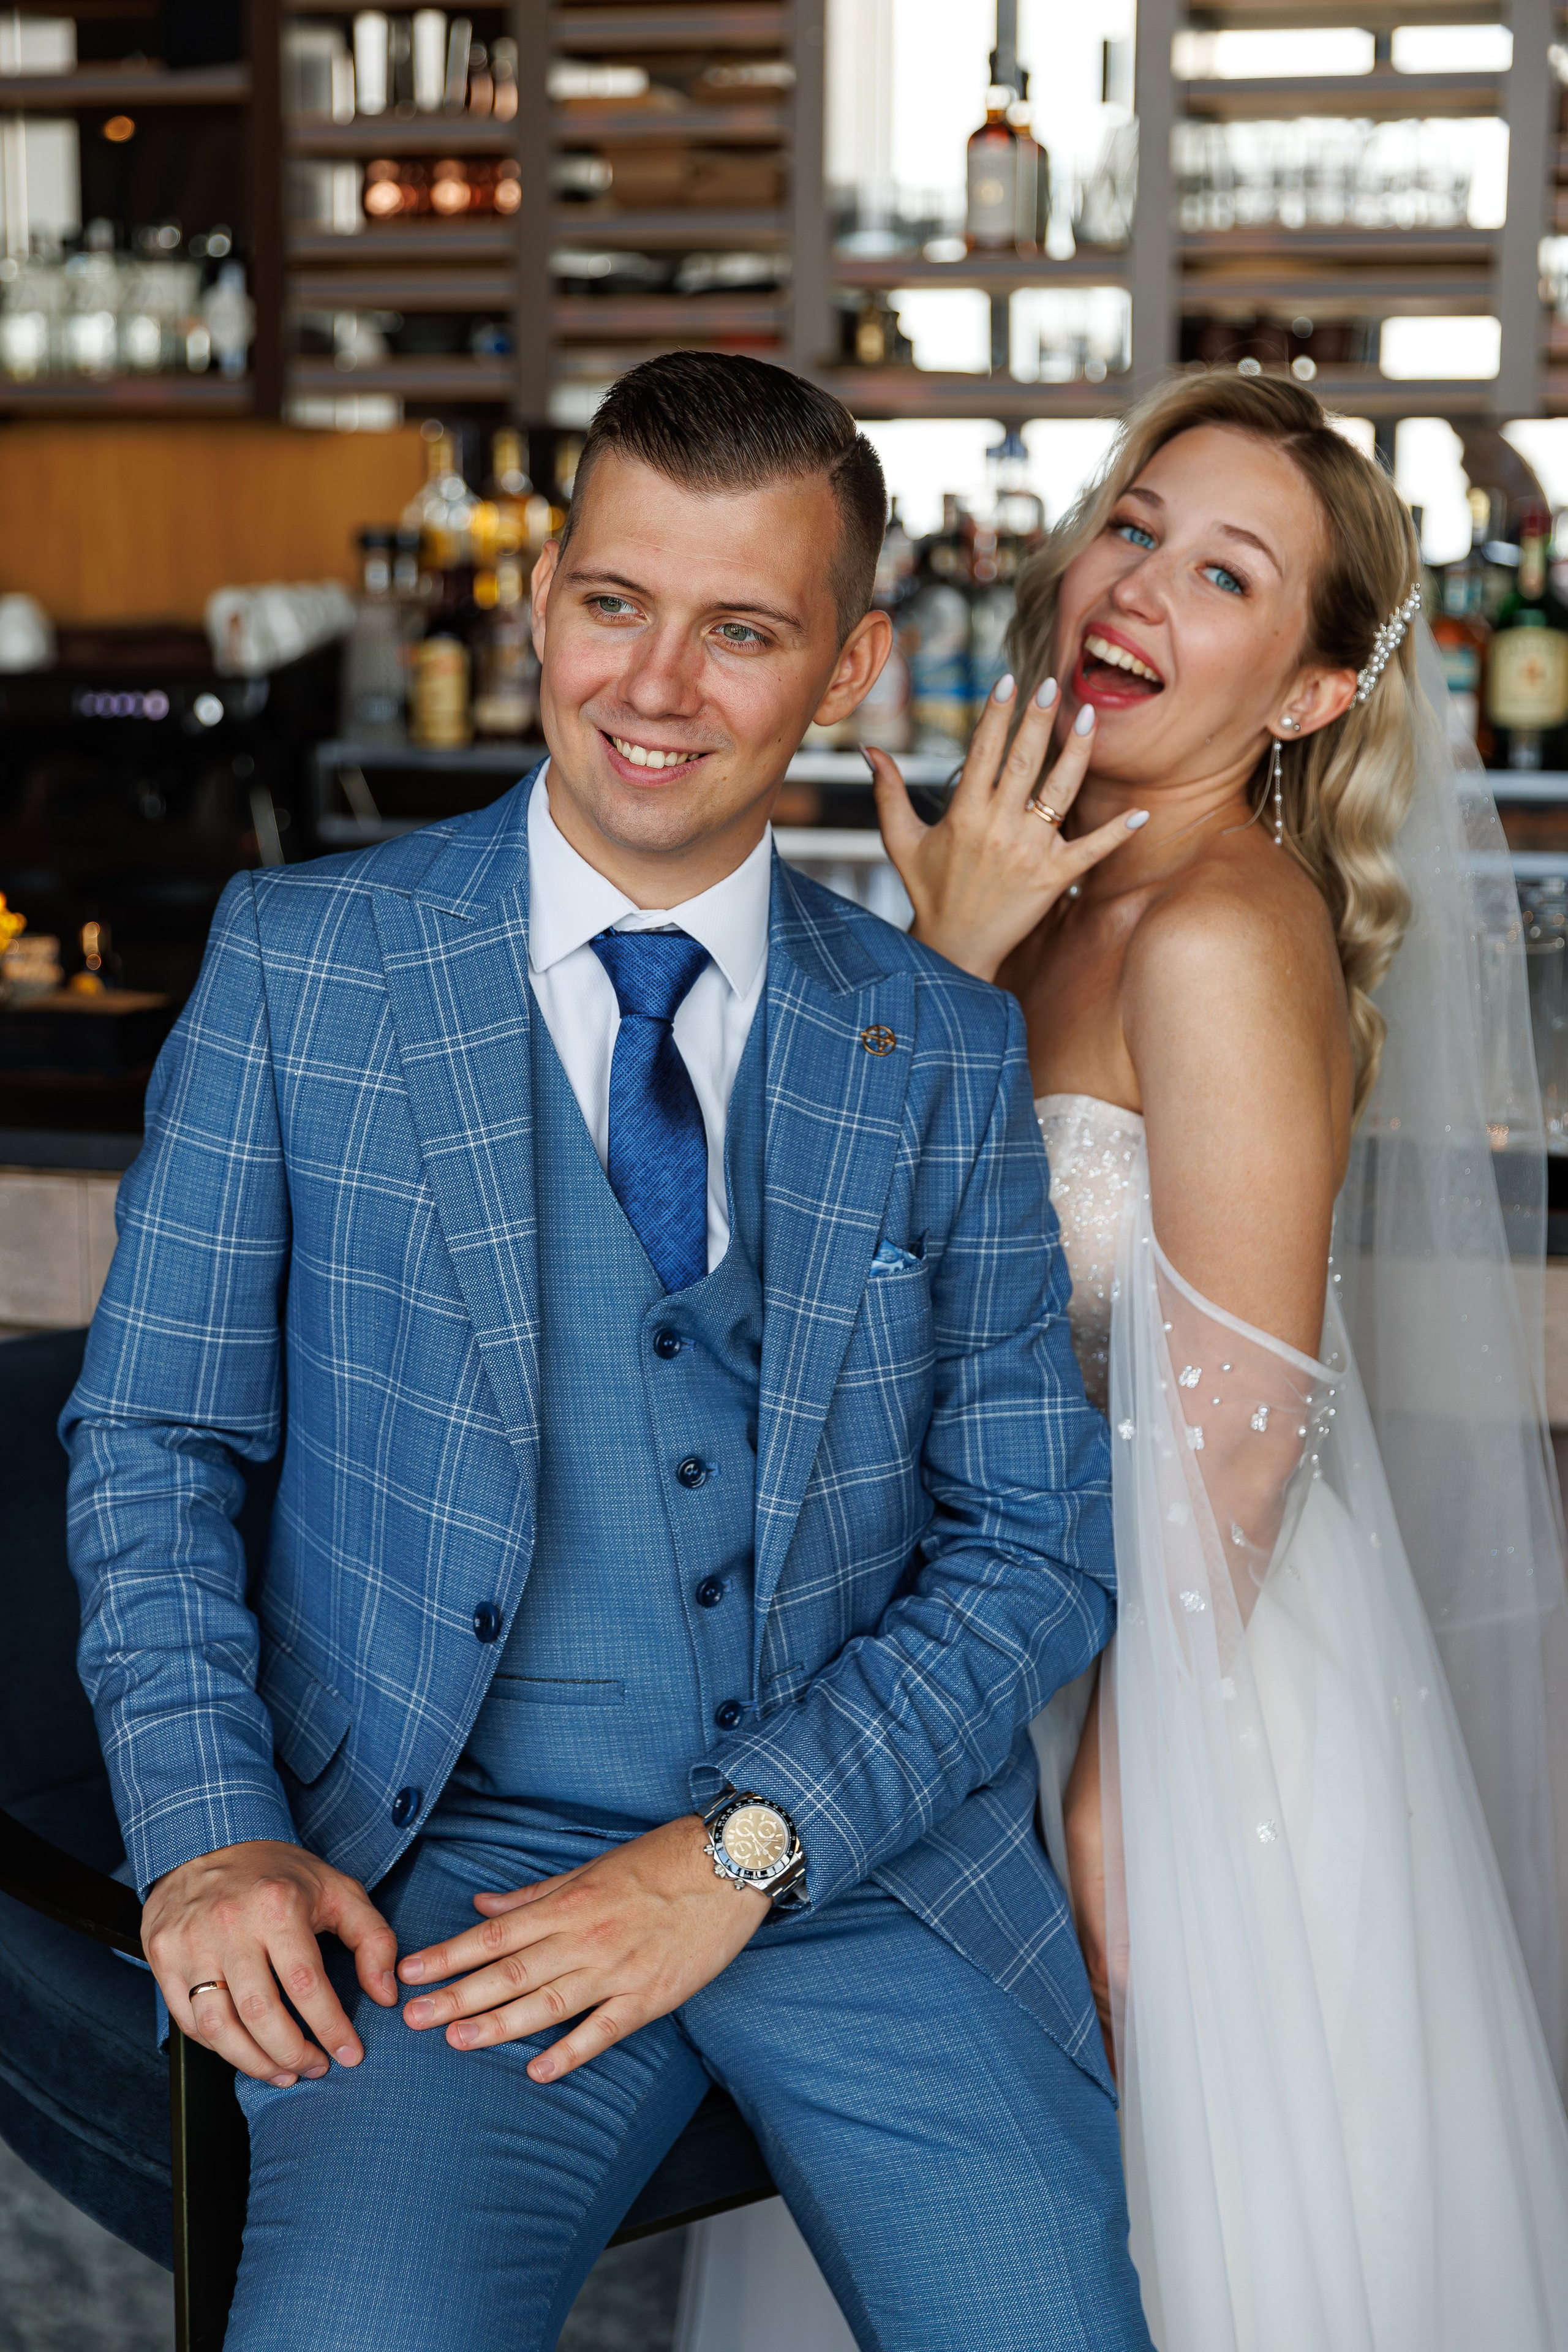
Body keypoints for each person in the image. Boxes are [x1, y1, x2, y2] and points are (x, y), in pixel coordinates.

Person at [60, 352, 1154, 2352]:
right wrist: (209, 1834)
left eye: (743, 629)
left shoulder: (937, 1042)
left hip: (862, 1857)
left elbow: (1033, 1542)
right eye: (618, 604)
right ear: (548, 594)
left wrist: (749, 1848)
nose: (656, 688)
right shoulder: (306, 967)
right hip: (439, 1869)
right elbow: (152, 1440)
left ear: (846, 670)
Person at [684, 374, 1568, 2351]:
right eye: (1135, 525)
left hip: (1180, 1689)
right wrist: (953, 964)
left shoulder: (1222, 933)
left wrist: (1120, 1809)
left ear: (1313, 693)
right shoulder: (1034, 886)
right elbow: (812, 1298)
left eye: (1227, 571)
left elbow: (1242, 1438)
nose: (1139, 585)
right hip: (983, 1654)